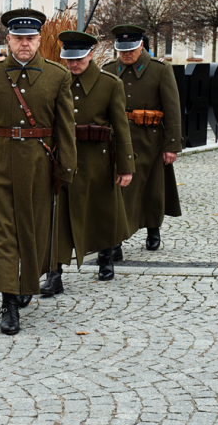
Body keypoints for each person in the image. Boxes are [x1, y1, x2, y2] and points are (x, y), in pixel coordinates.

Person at [0, 8, 77, 336]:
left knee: (34, 233)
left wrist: (65, 167)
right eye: (18, 39)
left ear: (40, 40)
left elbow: (64, 127)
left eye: (30, 38)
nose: (24, 44)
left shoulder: (57, 76)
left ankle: (27, 282)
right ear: (8, 40)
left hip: (40, 165)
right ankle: (8, 301)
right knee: (1, 234)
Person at [40, 31, 134, 296]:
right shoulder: (58, 82)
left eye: (79, 58)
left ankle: (105, 257)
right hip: (65, 160)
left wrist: (126, 166)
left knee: (101, 212)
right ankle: (54, 273)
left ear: (91, 55)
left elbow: (121, 126)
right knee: (58, 218)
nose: (73, 64)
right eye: (69, 59)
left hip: (98, 160)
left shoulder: (110, 84)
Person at [102, 25, 181, 258]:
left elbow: (172, 108)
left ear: (141, 46)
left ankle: (153, 229)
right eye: (121, 50)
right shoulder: (107, 70)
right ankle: (116, 239)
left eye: (131, 49)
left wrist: (172, 145)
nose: (126, 54)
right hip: (116, 141)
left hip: (150, 140)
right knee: (119, 190)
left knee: (152, 189)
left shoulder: (160, 70)